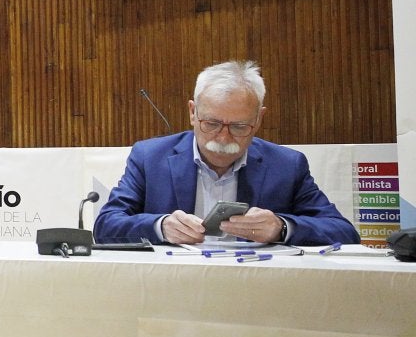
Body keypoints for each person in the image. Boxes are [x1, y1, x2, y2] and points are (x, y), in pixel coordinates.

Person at [93, 60, 358, 246]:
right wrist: (160, 227)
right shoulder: (150, 157)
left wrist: (281, 227)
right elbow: (106, 225)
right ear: (192, 112)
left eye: (240, 126)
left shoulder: (287, 165)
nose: (223, 137)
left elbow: (344, 232)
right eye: (212, 123)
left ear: (259, 119)